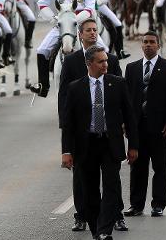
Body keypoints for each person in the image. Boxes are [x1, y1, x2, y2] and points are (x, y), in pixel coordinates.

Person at [61, 45, 138, 240]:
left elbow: (129, 116)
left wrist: (133, 145)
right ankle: (97, 230)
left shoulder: (118, 83)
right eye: (101, 61)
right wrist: (67, 151)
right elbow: (68, 124)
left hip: (109, 143)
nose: (106, 64)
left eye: (106, 60)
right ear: (89, 63)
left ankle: (105, 230)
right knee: (90, 190)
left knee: (111, 186)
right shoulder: (75, 87)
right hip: (86, 145)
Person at [57, 18, 125, 233]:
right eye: (88, 30)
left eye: (95, 30)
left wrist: (121, 121)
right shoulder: (71, 61)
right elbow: (64, 95)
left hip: (106, 128)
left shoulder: (109, 60)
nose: (93, 33)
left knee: (112, 176)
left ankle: (116, 213)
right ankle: (82, 214)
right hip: (81, 129)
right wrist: (64, 124)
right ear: (80, 34)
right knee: (81, 176)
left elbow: (121, 94)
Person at [123, 32, 166, 218]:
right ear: (141, 45)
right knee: (137, 167)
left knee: (160, 167)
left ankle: (158, 204)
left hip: (159, 128)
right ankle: (136, 205)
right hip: (137, 128)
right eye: (145, 42)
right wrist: (126, 122)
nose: (148, 45)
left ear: (158, 45)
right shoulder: (131, 68)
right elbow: (127, 99)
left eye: (152, 42)